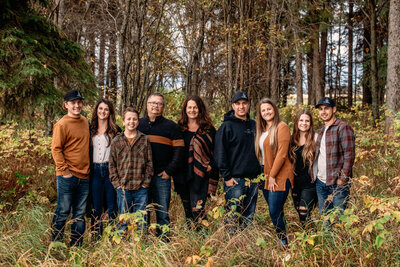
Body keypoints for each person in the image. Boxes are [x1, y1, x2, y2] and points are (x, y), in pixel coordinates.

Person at [137, 93, 184, 238]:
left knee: (162, 211)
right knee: (143, 211)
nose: (155, 106)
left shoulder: (171, 126)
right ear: (147, 105)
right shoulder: (138, 124)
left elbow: (179, 150)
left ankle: (163, 241)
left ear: (163, 106)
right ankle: (142, 242)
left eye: (159, 103)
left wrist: (169, 171)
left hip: (161, 177)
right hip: (141, 177)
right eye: (152, 103)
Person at [214, 91, 260, 234]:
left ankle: (245, 246)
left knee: (248, 216)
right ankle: (231, 245)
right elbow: (219, 153)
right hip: (235, 180)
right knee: (233, 216)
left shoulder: (254, 125)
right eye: (238, 104)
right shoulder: (226, 127)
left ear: (249, 105)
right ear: (233, 106)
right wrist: (226, 177)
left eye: (244, 103)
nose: (241, 107)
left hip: (253, 180)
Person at [51, 89, 90, 246]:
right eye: (73, 103)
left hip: (85, 176)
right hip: (67, 176)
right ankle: (56, 245)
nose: (77, 105)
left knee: (79, 214)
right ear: (66, 105)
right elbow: (56, 149)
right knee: (63, 212)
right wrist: (65, 172)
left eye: (79, 102)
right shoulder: (61, 124)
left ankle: (76, 246)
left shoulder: (85, 121)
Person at [175, 96, 219, 226]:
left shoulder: (208, 129)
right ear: (185, 109)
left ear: (200, 109)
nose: (192, 110)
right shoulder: (179, 128)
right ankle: (191, 237)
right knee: (187, 209)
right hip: (182, 174)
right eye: (189, 107)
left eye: (195, 107)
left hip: (201, 175)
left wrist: (211, 165)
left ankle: (202, 235)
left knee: (198, 209)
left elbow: (217, 150)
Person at [255, 98, 293, 246]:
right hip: (265, 174)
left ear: (274, 110)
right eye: (263, 110)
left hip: (279, 175)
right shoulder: (262, 130)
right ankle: (282, 236)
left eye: (269, 109)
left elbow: (282, 154)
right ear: (260, 113)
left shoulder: (281, 127)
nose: (266, 112)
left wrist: (272, 176)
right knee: (276, 210)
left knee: (274, 209)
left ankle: (283, 240)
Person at [109, 108, 153, 233]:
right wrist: (117, 185)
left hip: (141, 188)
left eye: (134, 119)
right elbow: (111, 165)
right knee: (123, 219)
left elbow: (150, 163)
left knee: (141, 220)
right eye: (128, 119)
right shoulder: (116, 141)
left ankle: (140, 245)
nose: (131, 122)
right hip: (123, 187)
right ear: (123, 122)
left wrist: (145, 183)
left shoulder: (144, 139)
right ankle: (122, 246)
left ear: (138, 122)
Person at [313, 97, 355, 222]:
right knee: (326, 219)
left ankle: (343, 241)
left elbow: (350, 155)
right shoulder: (321, 131)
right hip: (321, 182)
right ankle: (327, 240)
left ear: (334, 109)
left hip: (337, 183)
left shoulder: (343, 128)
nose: (323, 112)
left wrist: (342, 179)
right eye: (321, 109)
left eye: (326, 108)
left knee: (341, 220)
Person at [89, 98, 121, 237]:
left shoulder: (116, 130)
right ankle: (96, 237)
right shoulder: (90, 129)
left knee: (112, 206)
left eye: (106, 109)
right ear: (97, 110)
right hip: (95, 171)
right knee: (96, 207)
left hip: (110, 171)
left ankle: (113, 239)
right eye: (101, 108)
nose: (103, 111)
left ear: (110, 112)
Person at [289, 110, 318, 227]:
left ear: (310, 123)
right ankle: (311, 236)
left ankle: (309, 237)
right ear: (296, 122)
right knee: (300, 212)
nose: (304, 123)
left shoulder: (315, 139)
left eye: (307, 121)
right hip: (295, 183)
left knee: (303, 212)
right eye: (301, 120)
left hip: (310, 183)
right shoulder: (291, 139)